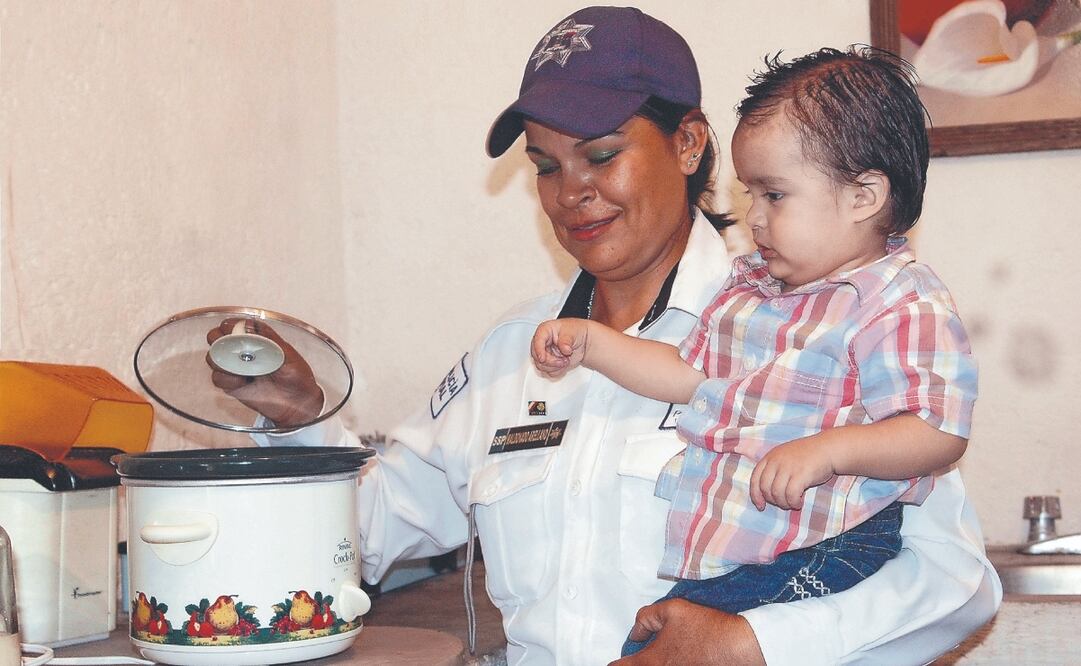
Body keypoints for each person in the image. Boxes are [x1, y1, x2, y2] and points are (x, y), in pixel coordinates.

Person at [208, 7, 1001, 664]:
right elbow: (367, 538)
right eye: (546, 167)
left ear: (688, 144)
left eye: (600, 154)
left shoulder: (810, 322)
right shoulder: (513, 352)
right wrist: (300, 421)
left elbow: (955, 579)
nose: (572, 194)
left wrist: (750, 642)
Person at [530, 45, 977, 657]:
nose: (753, 218)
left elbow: (936, 431)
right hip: (733, 557)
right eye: (749, 194)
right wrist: (595, 345)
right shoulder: (751, 294)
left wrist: (828, 451)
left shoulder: (898, 302)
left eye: (774, 195)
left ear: (864, 196)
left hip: (833, 545)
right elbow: (687, 378)